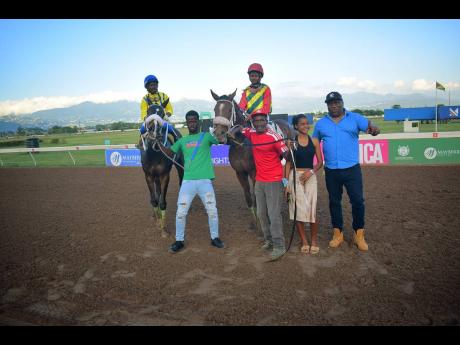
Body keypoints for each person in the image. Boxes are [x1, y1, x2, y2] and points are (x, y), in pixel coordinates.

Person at [312, 92, 380, 251]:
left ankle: (359, 235)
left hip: (352, 170)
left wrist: (374, 129)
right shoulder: (321, 124)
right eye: (330, 103)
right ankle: (338, 234)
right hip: (331, 171)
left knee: (357, 201)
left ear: (342, 103)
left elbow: (370, 127)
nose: (334, 105)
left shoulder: (355, 118)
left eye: (336, 102)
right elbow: (314, 142)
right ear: (327, 105)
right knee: (334, 202)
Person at [157, 110, 224, 253]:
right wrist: (157, 142)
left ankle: (215, 238)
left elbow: (220, 139)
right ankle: (179, 240)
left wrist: (220, 127)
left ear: (198, 122)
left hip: (205, 182)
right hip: (187, 183)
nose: (192, 123)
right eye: (189, 121)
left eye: (194, 121)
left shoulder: (206, 137)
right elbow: (169, 152)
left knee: (212, 211)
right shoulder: (182, 141)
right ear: (187, 123)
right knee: (181, 212)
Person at [230, 113, 291, 261]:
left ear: (266, 121)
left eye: (262, 120)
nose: (259, 123)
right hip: (259, 181)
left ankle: (279, 246)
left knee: (273, 214)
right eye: (256, 121)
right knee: (261, 213)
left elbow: (287, 156)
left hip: (273, 181)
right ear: (253, 123)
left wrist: (289, 149)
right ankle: (269, 240)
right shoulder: (251, 133)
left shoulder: (274, 136)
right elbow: (239, 128)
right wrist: (233, 130)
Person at [284, 114, 323, 254]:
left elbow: (320, 162)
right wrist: (286, 184)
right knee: (298, 210)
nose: (306, 126)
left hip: (310, 176)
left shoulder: (315, 141)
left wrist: (311, 172)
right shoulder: (291, 143)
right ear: (295, 126)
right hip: (294, 176)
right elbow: (288, 164)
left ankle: (313, 241)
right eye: (302, 124)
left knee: (312, 209)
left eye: (307, 123)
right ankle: (304, 241)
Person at [139, 74, 179, 144]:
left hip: (162, 121)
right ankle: (141, 147)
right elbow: (143, 113)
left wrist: (167, 115)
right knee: (142, 130)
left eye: (155, 85)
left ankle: (179, 148)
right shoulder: (144, 99)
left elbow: (169, 109)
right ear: (147, 87)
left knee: (174, 131)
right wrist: (148, 120)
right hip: (149, 122)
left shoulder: (164, 96)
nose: (154, 87)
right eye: (151, 85)